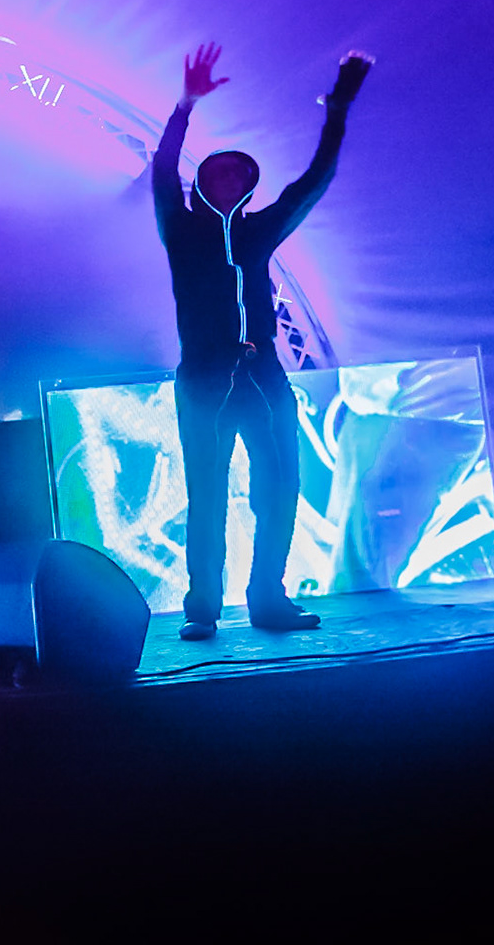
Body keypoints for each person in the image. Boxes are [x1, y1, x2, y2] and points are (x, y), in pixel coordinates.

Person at [155, 42, 372, 640]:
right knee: (206, 494)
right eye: (218, 172)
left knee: (280, 486)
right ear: (202, 184)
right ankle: (202, 608)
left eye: (238, 173)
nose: (229, 179)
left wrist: (338, 109)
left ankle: (268, 599)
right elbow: (162, 174)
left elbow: (314, 182)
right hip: (203, 378)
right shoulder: (181, 230)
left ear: (248, 185)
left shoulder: (259, 231)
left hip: (264, 374)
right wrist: (184, 106)